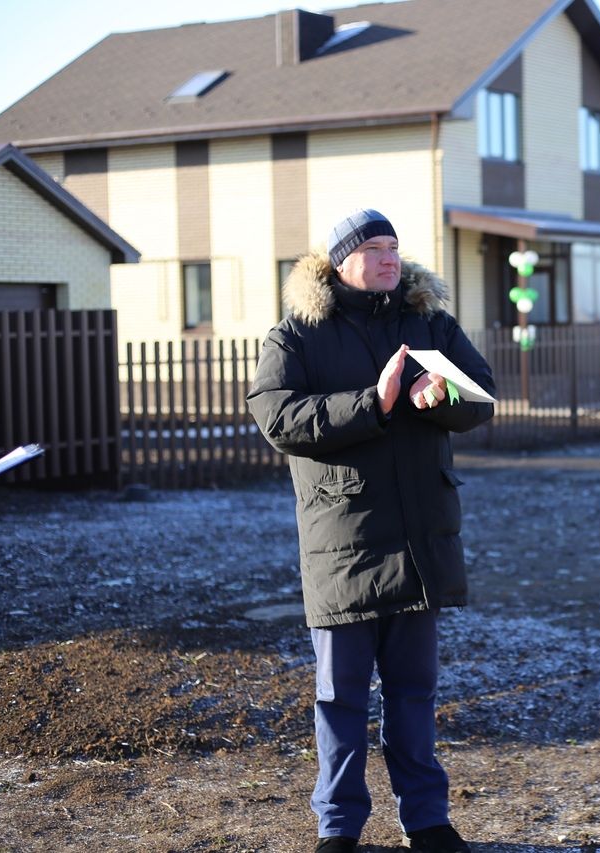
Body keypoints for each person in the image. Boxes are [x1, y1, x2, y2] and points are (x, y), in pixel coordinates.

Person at [247, 208, 494, 853]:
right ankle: (338, 828)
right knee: (340, 698)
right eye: (373, 249)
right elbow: (278, 418)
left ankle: (429, 822)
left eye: (394, 247)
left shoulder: (428, 322)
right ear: (338, 262)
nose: (389, 259)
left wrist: (445, 398)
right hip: (344, 541)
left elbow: (482, 397)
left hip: (420, 539)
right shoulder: (296, 335)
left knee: (415, 692)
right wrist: (372, 404)